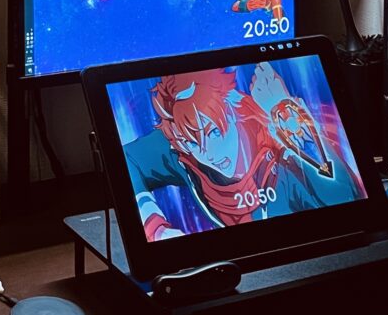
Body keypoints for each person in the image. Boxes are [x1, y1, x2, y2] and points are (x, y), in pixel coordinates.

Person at [122, 63, 361, 238]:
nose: (210, 154)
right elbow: (125, 159)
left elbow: (349, 204)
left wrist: (285, 110)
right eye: (193, 143)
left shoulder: (275, 143)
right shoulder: (183, 144)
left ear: (232, 112)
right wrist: (155, 226)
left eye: (215, 133)